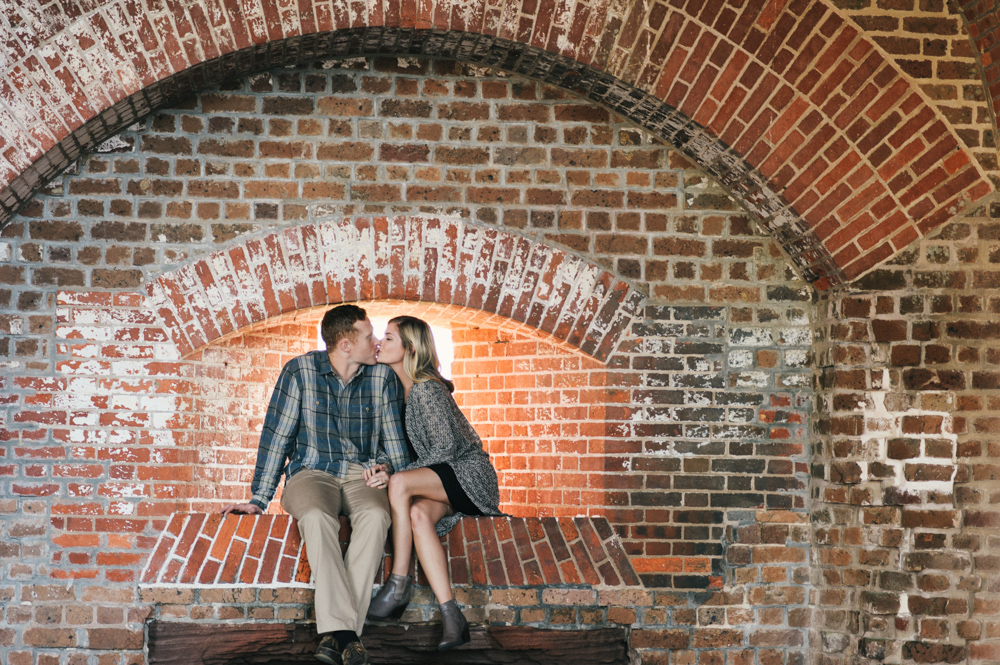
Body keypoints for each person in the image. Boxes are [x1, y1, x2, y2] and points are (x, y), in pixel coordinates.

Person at [221, 304, 410, 665]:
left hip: (361, 474)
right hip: (311, 472)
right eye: (368, 337)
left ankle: (334, 638)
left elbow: (394, 445)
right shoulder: (300, 372)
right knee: (318, 519)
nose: (375, 343)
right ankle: (347, 636)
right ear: (344, 344)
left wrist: (387, 467)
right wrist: (259, 499)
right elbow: (276, 438)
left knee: (375, 517)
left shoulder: (381, 379)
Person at [365, 316, 503, 651]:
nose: (381, 343)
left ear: (410, 348)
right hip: (440, 479)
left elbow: (445, 448)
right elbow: (398, 449)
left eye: (389, 338)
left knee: (399, 485)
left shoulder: (426, 388)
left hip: (468, 474)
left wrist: (398, 475)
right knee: (417, 516)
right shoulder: (397, 393)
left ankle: (398, 584)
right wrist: (381, 465)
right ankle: (452, 617)